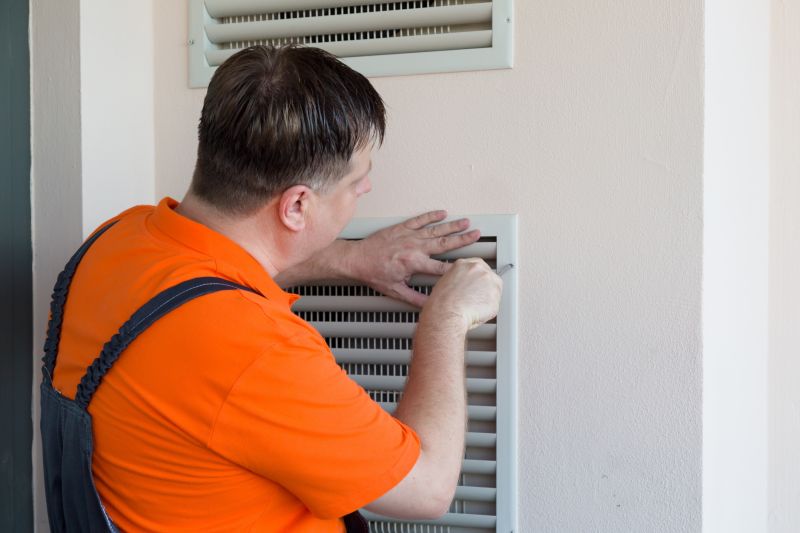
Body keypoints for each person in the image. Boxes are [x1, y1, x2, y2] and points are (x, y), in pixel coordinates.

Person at [41, 45, 502, 532]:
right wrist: (445, 320)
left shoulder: (117, 241)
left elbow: (192, 291)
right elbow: (428, 487)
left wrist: (348, 258)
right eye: (358, 178)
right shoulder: (256, 351)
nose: (366, 189)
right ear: (297, 206)